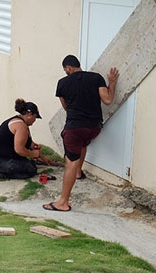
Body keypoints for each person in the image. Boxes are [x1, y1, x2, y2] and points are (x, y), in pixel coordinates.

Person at [43, 55, 118, 212]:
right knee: (83, 143)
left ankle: (63, 202)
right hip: (94, 128)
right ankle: (78, 172)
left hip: (74, 128)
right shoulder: (96, 78)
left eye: (65, 70)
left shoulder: (62, 83)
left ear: (68, 68)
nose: (65, 72)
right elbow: (108, 100)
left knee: (70, 161)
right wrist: (112, 83)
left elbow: (66, 107)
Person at [0, 98, 43, 179]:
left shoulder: (20, 121)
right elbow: (19, 150)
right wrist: (33, 154)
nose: (35, 120)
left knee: (27, 163)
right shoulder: (20, 126)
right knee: (31, 170)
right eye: (35, 117)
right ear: (29, 114)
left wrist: (36, 150)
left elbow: (29, 142)